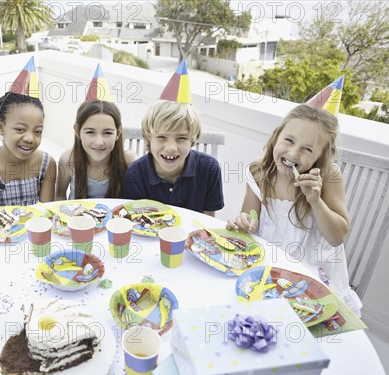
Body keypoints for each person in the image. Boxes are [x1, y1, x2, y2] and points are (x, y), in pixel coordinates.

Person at [226, 89, 362, 316]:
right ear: (276, 136)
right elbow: (250, 218)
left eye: (307, 149)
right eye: (288, 140)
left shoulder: (329, 177)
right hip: (267, 273)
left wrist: (316, 202)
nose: (293, 152)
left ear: (320, 157)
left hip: (310, 279)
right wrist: (245, 222)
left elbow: (337, 237)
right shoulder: (259, 172)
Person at [123, 60, 224, 215]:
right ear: (149, 137)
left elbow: (208, 223)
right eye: (162, 137)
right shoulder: (135, 174)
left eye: (181, 138)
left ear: (193, 138)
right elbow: (135, 222)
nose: (171, 147)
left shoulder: (209, 170)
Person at [0, 57, 56, 209]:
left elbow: (47, 212)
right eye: (20, 129)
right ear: (1, 128)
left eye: (38, 131)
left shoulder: (47, 164)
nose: (30, 138)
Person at [55, 65, 136, 200]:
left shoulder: (127, 161)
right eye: (90, 132)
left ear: (118, 132)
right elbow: (59, 196)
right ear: (77, 130)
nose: (99, 141)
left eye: (107, 133)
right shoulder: (68, 159)